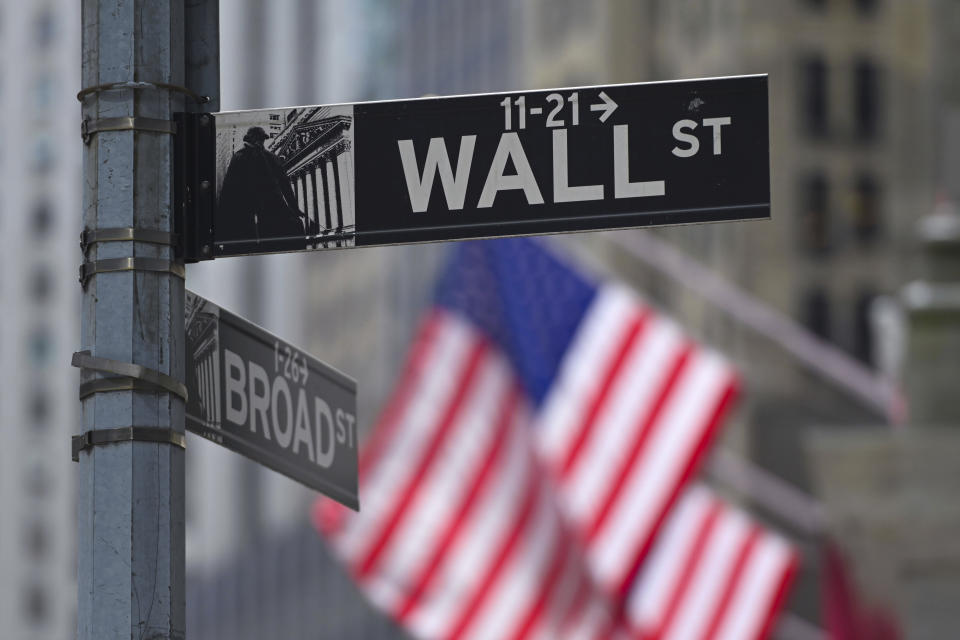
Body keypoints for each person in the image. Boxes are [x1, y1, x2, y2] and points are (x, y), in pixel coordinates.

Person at [217, 126, 307, 248]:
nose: (261, 143)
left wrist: (294, 208)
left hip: (270, 207)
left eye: (262, 140)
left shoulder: (269, 157)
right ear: (252, 139)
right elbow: (229, 191)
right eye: (259, 139)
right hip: (247, 210)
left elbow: (285, 184)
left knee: (288, 231)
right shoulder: (240, 157)